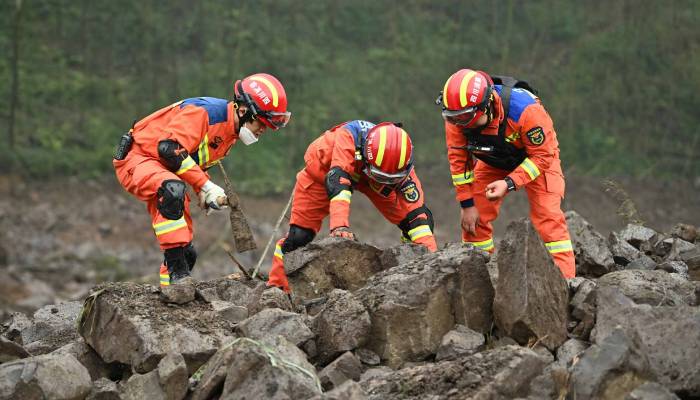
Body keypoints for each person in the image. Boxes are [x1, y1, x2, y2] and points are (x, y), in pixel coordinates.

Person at [113, 73, 290, 286]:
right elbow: (169, 149)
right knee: (172, 191)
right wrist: (205, 185)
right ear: (243, 111)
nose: (264, 130)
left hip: (163, 171)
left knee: (186, 254)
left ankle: (169, 291)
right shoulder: (205, 114)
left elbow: (191, 162)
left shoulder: (229, 135)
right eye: (261, 123)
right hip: (138, 160)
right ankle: (179, 280)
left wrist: (204, 191)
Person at [267, 120, 437, 292]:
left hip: (370, 177)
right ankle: (278, 287)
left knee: (417, 222)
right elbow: (338, 182)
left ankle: (412, 269)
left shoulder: (400, 166)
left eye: (390, 179)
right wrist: (339, 226)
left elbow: (418, 216)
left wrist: (432, 262)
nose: (384, 181)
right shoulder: (348, 137)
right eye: (382, 177)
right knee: (299, 237)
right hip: (324, 171)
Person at [436, 69, 575, 278]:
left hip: (536, 158)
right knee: (474, 219)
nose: (462, 124)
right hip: (494, 160)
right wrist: (466, 204)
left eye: (467, 117)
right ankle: (476, 279)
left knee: (548, 217)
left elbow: (543, 156)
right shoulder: (458, 117)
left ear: (487, 104)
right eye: (454, 118)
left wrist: (509, 183)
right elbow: (458, 159)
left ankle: (565, 283)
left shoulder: (526, 111)